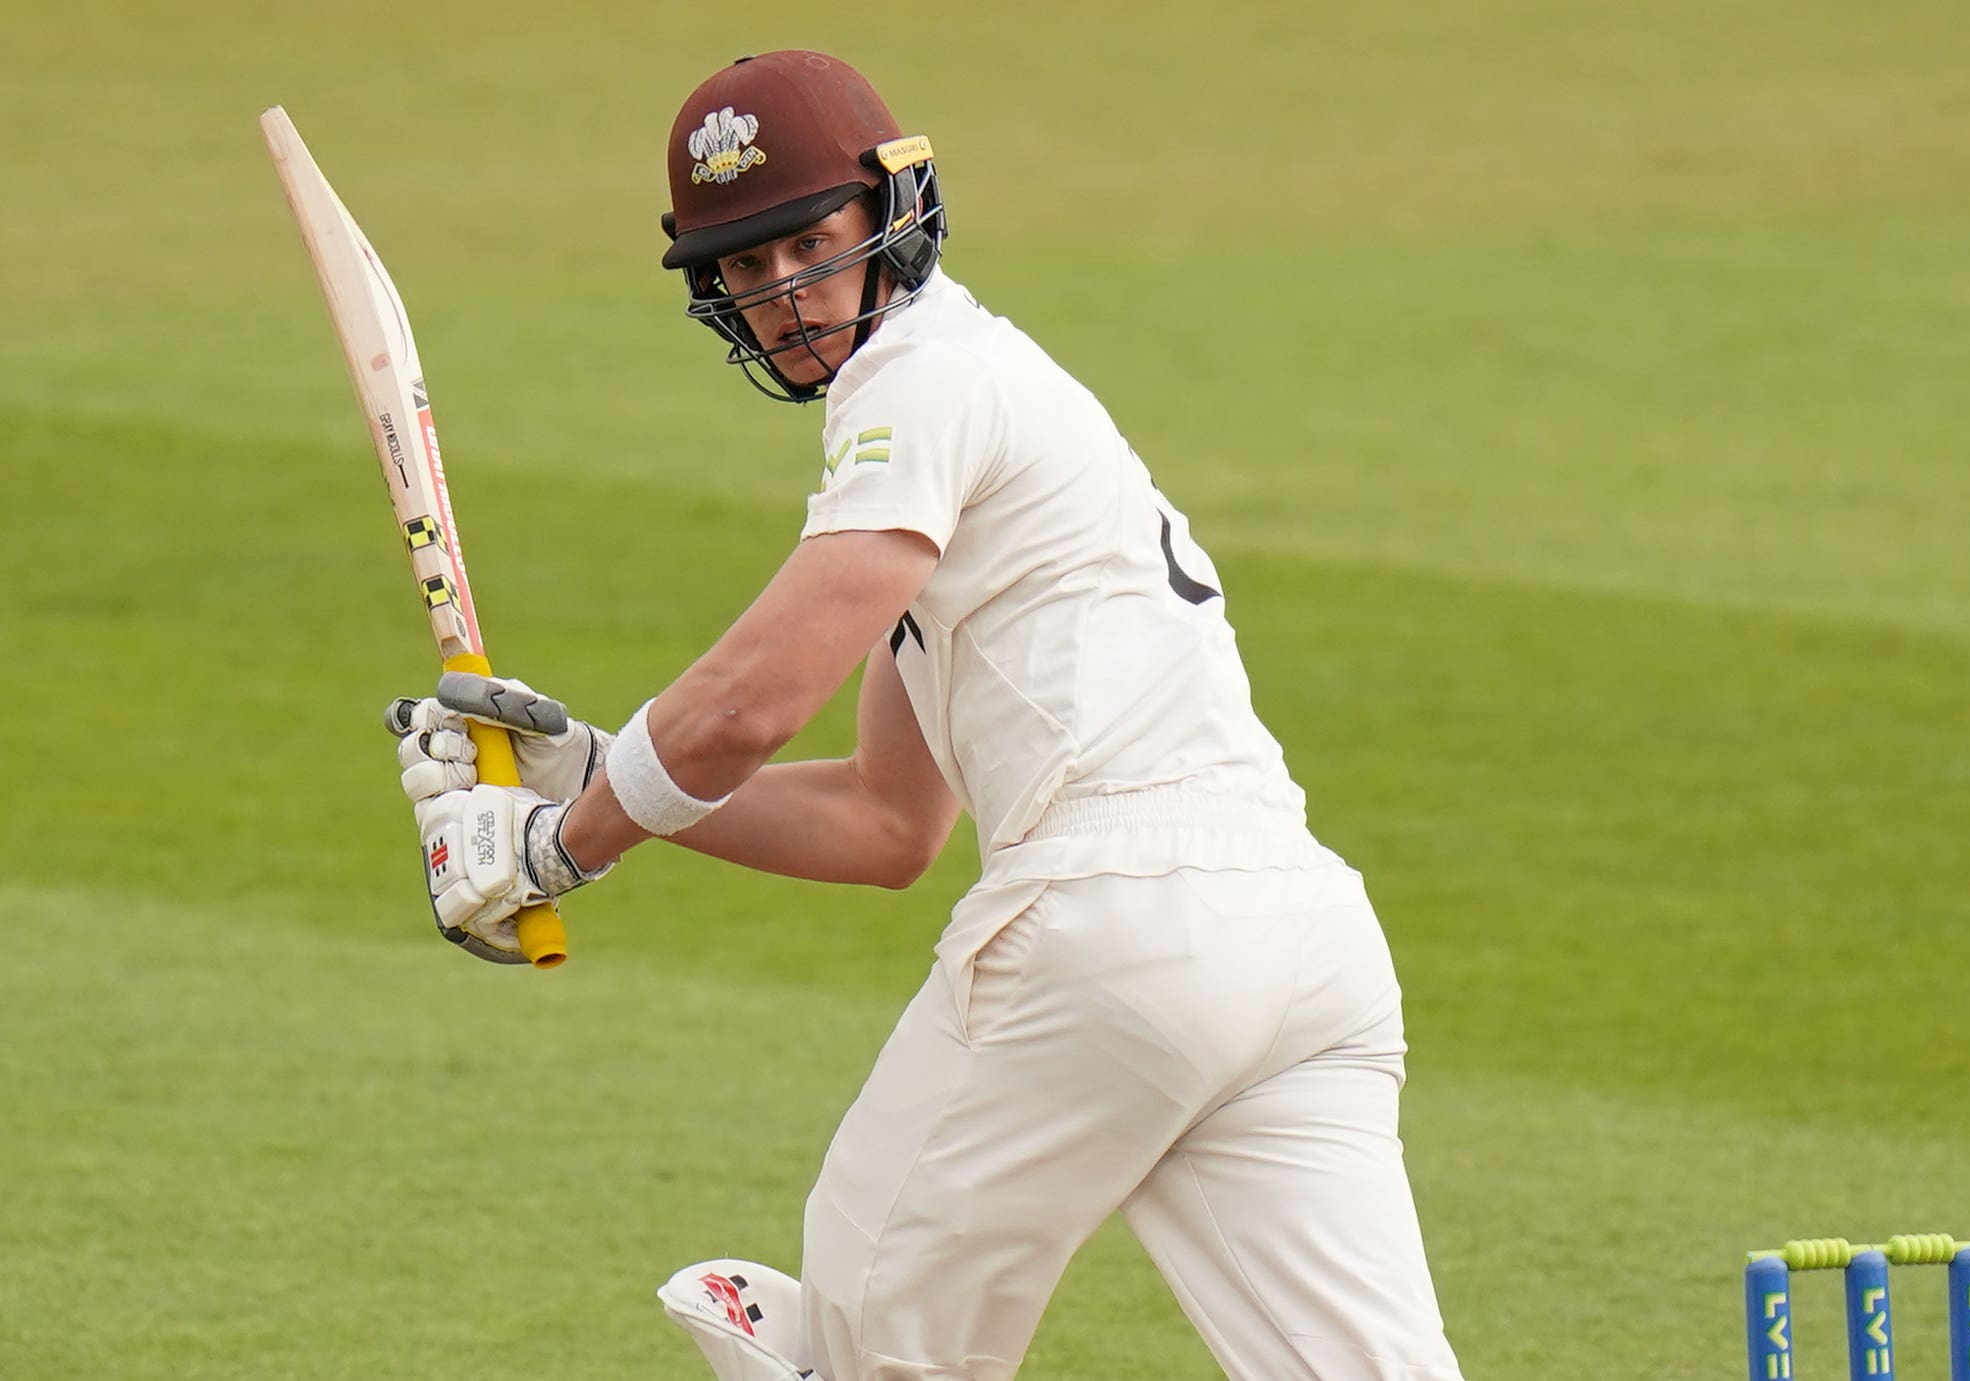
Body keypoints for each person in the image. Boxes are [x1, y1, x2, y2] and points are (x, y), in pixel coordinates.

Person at [389, 49, 1469, 1381]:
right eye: (740, 264)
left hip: (1117, 924)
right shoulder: (986, 414)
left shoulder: (917, 382)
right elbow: (884, 819)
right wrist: (594, 770)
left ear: (895, 214)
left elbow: (751, 704)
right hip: (1299, 948)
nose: (778, 292)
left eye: (806, 241)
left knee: (862, 1354)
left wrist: (563, 848)